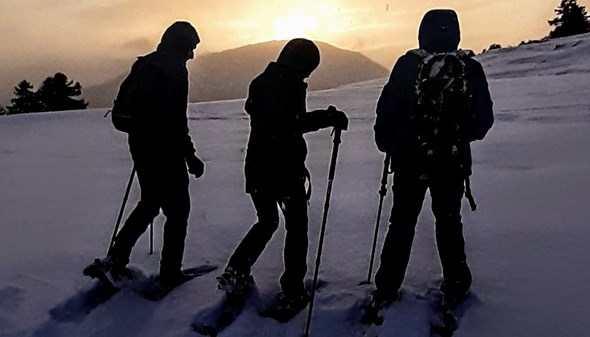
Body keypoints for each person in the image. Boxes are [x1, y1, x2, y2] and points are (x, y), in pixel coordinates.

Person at [370, 9, 494, 310]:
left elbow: (386, 112)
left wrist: (388, 144)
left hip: (410, 161)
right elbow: (483, 121)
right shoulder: (469, 68)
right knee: (449, 221)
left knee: (401, 222)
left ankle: (386, 287)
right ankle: (456, 283)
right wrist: (458, 137)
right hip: (451, 163)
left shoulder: (406, 66)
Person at [218, 38, 348, 315]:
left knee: (266, 222)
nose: (308, 74)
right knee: (296, 228)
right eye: (309, 67)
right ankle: (292, 289)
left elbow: (271, 120)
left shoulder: (262, 81)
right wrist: (328, 117)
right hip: (284, 169)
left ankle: (236, 270)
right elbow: (291, 124)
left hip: (257, 167)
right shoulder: (287, 84)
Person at [102, 21, 205, 287]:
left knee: (149, 203)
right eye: (191, 48)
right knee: (178, 210)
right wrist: (190, 156)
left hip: (140, 143)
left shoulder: (145, 63)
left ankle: (116, 258)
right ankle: (170, 273)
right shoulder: (175, 71)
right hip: (165, 149)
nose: (192, 55)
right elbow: (176, 121)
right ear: (181, 45)